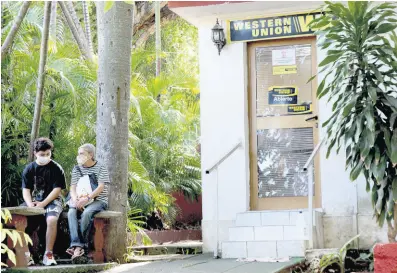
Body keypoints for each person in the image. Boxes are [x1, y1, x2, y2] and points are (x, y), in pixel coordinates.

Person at [21, 137, 66, 266]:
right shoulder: (29, 169)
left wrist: (43, 204)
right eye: (42, 154)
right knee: (21, 220)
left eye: (48, 154)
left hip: (52, 201)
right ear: (35, 153)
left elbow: (57, 190)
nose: (45, 156)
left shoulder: (56, 168)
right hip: (33, 202)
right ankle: (26, 255)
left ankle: (48, 254)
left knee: (51, 220)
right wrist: (30, 205)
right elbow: (26, 190)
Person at [66, 144, 110, 260]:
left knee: (86, 213)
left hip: (98, 200)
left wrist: (87, 198)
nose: (79, 156)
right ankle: (77, 245)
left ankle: (81, 246)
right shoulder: (76, 168)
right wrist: (75, 199)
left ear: (90, 155)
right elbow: (72, 187)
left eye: (82, 153)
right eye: (78, 153)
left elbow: (101, 187)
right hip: (79, 199)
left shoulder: (101, 167)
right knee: (71, 213)